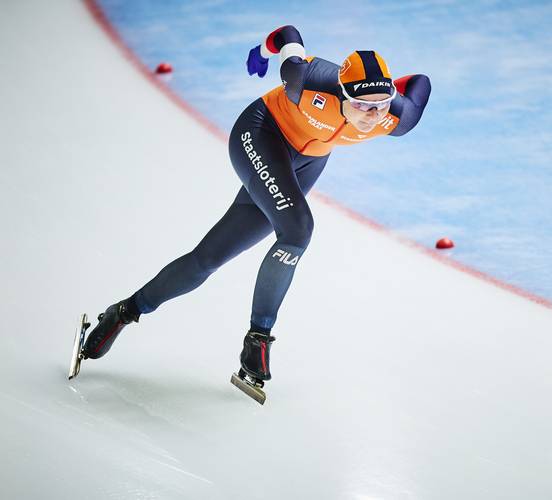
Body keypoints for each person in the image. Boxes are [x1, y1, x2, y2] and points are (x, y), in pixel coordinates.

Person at [81, 25, 432, 389]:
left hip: (308, 160)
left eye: (378, 105)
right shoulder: (305, 79)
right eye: (360, 105)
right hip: (261, 133)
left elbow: (420, 82)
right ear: (340, 93)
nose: (371, 115)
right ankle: (258, 341)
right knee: (298, 230)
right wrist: (264, 52)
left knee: (208, 259)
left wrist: (388, 85)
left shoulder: (396, 117)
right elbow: (287, 33)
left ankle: (124, 311)